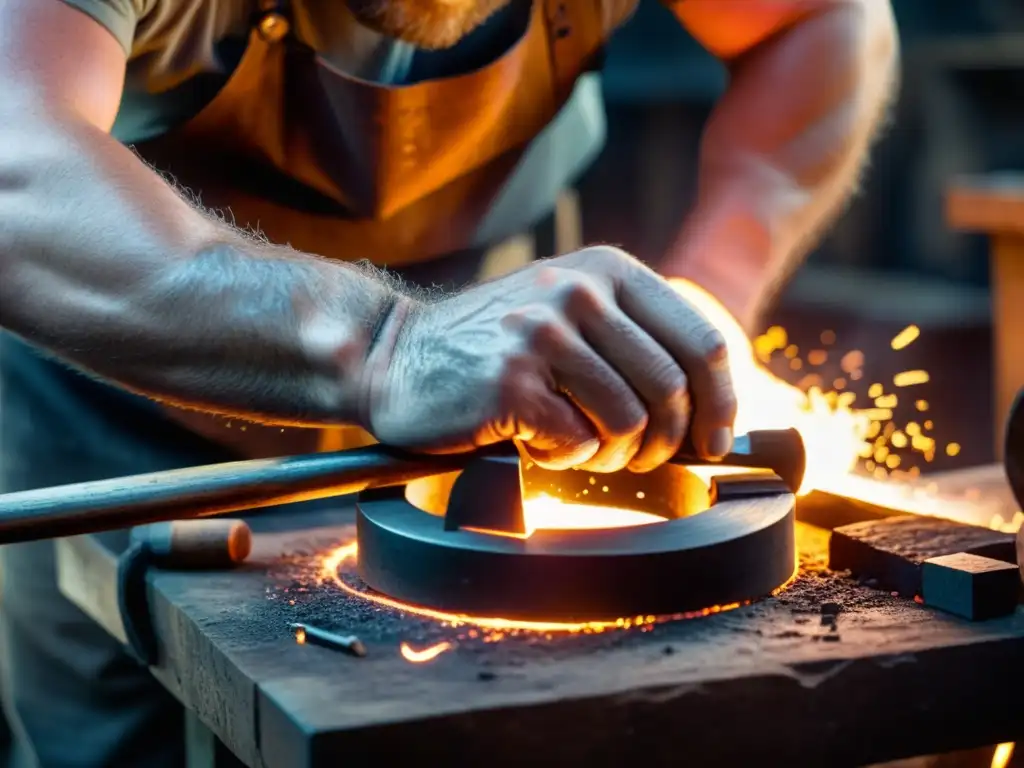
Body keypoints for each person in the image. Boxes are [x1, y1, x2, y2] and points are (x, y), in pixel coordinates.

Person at [0, 0, 897, 764]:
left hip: (510, 402)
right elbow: (16, 172)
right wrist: (387, 345)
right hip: (132, 404)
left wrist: (709, 298)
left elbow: (824, 19)